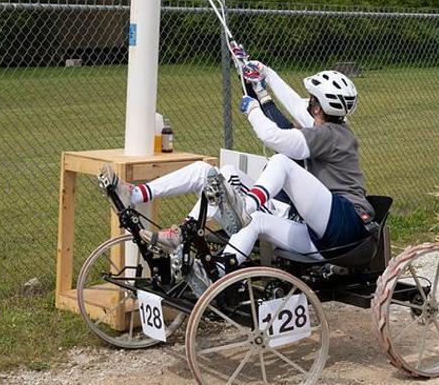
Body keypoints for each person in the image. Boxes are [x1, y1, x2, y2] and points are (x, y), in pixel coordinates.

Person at [117, 59, 374, 267]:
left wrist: (252, 107)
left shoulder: (329, 135)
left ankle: (245, 207)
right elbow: (295, 104)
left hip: (347, 222)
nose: (306, 103)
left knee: (281, 162)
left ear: (318, 108)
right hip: (317, 235)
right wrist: (264, 72)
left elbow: (274, 138)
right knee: (220, 176)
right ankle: (199, 252)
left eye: (312, 100)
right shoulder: (329, 127)